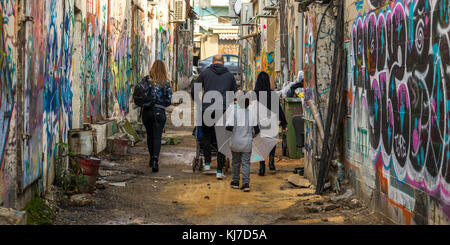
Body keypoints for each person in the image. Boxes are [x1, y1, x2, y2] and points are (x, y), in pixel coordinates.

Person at [191, 54, 238, 179]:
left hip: (207, 109)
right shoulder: (229, 75)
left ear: (212, 62)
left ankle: (207, 163)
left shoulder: (205, 73)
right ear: (223, 62)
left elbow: (195, 87)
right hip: (223, 110)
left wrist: (198, 100)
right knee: (222, 139)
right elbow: (235, 92)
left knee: (206, 134)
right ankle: (218, 171)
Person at [253, 72, 288, 176]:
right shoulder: (272, 94)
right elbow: (279, 110)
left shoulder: (254, 94)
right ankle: (271, 161)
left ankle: (262, 166)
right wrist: (284, 124)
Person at [142, 60, 172, 172]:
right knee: (157, 136)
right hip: (159, 112)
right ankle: (155, 160)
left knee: (149, 135)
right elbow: (168, 100)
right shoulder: (166, 82)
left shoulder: (146, 80)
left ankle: (151, 158)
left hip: (146, 111)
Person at [226, 96, 260, 192]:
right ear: (247, 104)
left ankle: (235, 182)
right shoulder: (251, 113)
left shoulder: (234, 112)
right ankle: (246, 184)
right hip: (247, 143)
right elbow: (257, 130)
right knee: (245, 163)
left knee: (236, 162)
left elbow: (229, 127)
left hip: (235, 142)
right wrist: (252, 135)